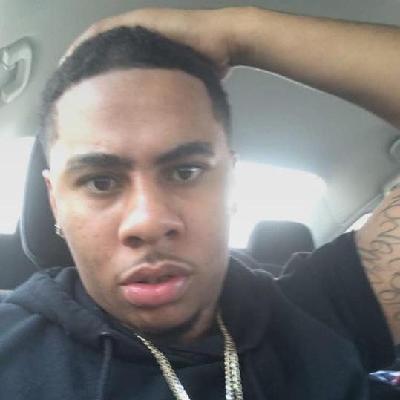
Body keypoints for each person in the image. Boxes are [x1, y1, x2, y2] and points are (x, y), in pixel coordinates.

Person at [1, 6, 400, 399]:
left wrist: (240, 33)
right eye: (100, 182)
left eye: (185, 172)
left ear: (232, 182)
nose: (148, 222)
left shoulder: (321, 316)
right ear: (55, 202)